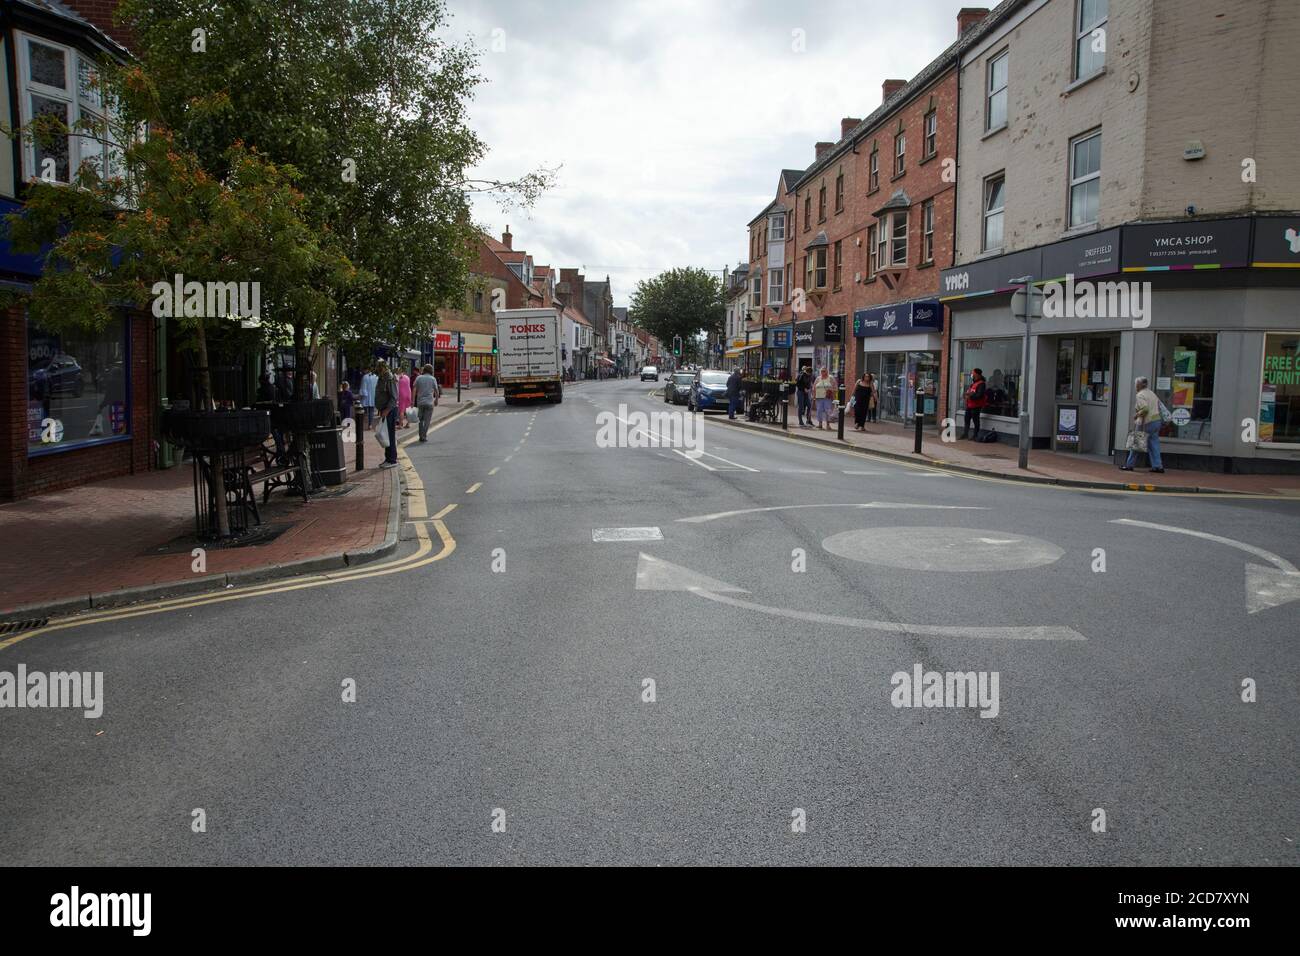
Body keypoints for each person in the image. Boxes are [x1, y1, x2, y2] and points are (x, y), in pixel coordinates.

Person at [1121, 376, 1166, 473]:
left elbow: (1145, 409)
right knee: (1154, 444)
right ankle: (1158, 466)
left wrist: (1136, 415)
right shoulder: (1152, 393)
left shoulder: (1140, 395)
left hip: (1146, 422)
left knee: (1136, 442)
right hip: (1156, 421)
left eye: (1136, 384)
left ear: (1138, 385)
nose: (1135, 386)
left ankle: (1129, 465)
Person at [373, 360, 399, 468]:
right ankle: (388, 458)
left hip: (390, 410)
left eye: (378, 367)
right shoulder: (382, 377)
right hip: (385, 410)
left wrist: (386, 410)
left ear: (382, 367)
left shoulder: (389, 378)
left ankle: (392, 460)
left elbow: (394, 397)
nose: (376, 369)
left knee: (390, 435)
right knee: (386, 435)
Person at [414, 364, 440, 442]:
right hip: (429, 403)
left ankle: (420, 436)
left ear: (424, 370)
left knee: (420, 420)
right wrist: (436, 400)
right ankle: (424, 436)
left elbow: (414, 389)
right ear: (431, 371)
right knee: (427, 421)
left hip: (420, 402)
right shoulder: (433, 379)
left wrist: (412, 401)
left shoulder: (418, 378)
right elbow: (436, 391)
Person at [960, 368, 987, 441]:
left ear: (977, 374)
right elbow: (970, 392)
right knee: (967, 419)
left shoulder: (981, 384)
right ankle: (965, 434)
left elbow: (979, 395)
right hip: (969, 405)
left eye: (973, 373)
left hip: (976, 406)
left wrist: (970, 395)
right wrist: (966, 395)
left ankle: (975, 435)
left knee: (976, 421)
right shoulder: (973, 383)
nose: (972, 375)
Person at [361, 365, 378, 430]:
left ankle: (363, 424)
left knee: (364, 412)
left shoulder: (365, 377)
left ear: (367, 370)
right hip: (373, 396)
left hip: (366, 397)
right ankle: (370, 424)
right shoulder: (376, 377)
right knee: (371, 411)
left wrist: (361, 395)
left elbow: (363, 388)